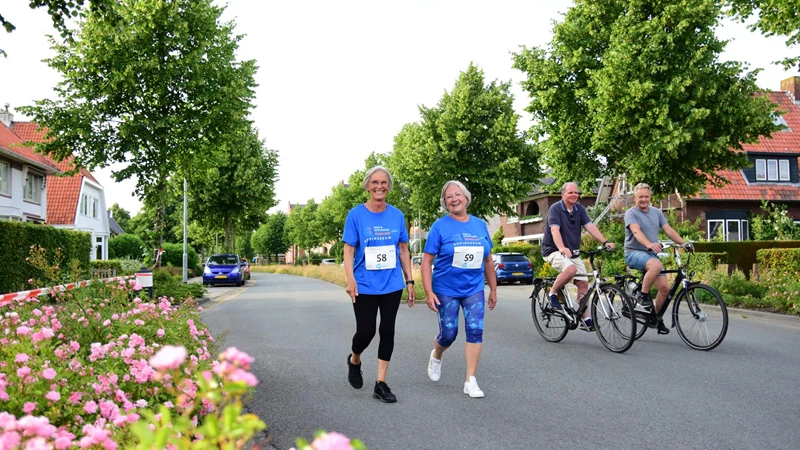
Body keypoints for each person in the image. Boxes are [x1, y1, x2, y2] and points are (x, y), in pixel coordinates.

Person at [343, 166, 416, 403]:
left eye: (384, 182)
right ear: (367, 186)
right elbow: (349, 250)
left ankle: (381, 383)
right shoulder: (356, 214)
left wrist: (410, 280)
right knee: (366, 331)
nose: (379, 186)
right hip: (364, 283)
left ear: (389, 186)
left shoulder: (397, 215)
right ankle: (355, 359)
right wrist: (350, 279)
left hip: (392, 283)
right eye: (375, 182)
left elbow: (403, 249)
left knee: (387, 330)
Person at [421, 181, 497, 398]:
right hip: (446, 289)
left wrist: (493, 289)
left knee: (475, 331)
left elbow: (488, 260)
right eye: (449, 197)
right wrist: (428, 292)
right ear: (445, 203)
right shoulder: (439, 226)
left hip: (474, 288)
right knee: (449, 334)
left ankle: (470, 380)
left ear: (466, 197)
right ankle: (437, 354)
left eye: (457, 194)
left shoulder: (480, 225)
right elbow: (426, 261)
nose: (454, 199)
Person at [541, 182, 615, 330]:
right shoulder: (555, 208)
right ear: (563, 194)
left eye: (576, 192)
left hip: (573, 253)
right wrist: (562, 248)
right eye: (571, 192)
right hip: (553, 251)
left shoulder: (579, 209)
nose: (574, 195)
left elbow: (590, 226)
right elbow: (555, 230)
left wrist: (605, 241)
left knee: (583, 284)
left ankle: (585, 318)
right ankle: (553, 293)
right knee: (571, 270)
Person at [624, 182, 691, 335]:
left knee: (665, 289)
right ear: (635, 197)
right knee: (656, 265)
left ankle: (656, 318)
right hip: (634, 253)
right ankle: (643, 295)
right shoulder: (631, 213)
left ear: (650, 197)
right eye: (640, 197)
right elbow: (636, 232)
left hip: (650, 254)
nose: (643, 199)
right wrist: (649, 244)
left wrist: (684, 243)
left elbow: (669, 230)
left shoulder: (656, 212)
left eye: (646, 197)